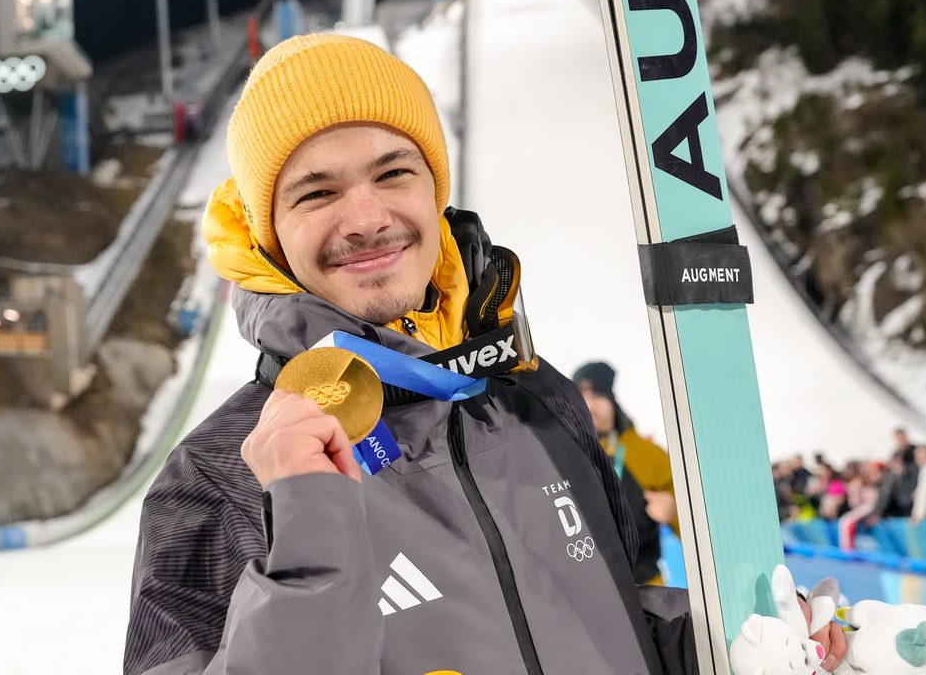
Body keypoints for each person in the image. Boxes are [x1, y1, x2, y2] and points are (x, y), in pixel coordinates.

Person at [123, 33, 845, 675]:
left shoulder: (536, 400)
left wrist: (727, 648)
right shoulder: (217, 472)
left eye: (394, 173)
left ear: (436, 189)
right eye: (317, 192)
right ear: (270, 234)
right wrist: (311, 531)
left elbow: (604, 626)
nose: (367, 218)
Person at [571, 361, 675, 585]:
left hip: (647, 588)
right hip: (592, 587)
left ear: (612, 399)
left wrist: (674, 509)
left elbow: (698, 525)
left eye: (597, 395)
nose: (589, 405)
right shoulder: (564, 453)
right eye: (581, 397)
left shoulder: (646, 453)